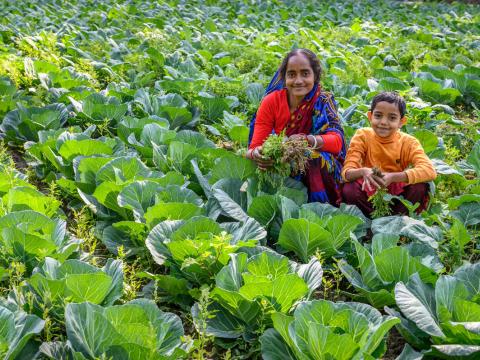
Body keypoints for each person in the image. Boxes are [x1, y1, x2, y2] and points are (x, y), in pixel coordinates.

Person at [246, 48, 346, 205]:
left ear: (315, 75)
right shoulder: (271, 102)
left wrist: (305, 141)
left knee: (311, 157)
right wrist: (258, 155)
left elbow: (337, 142)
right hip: (281, 168)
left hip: (318, 171)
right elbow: (253, 148)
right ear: (284, 78)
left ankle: (322, 205)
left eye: (305, 73)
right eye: (291, 74)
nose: (298, 80)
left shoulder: (323, 101)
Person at [341, 91, 437, 217]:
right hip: (369, 186)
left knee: (419, 187)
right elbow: (346, 172)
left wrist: (392, 177)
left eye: (392, 118)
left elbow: (430, 171)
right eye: (378, 116)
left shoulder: (408, 142)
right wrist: (364, 171)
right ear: (370, 116)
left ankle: (396, 220)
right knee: (350, 189)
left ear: (401, 122)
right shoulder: (362, 135)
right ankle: (369, 222)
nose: (383, 122)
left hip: (397, 191)